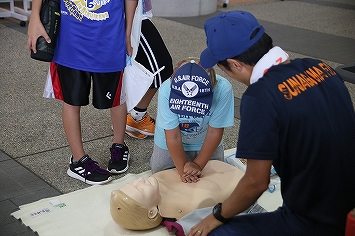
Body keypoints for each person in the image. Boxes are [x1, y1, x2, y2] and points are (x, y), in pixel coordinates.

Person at [186, 11, 355, 236]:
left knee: (209, 231)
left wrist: (216, 216)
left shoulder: (259, 97)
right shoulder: (319, 67)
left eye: (222, 68)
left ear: (235, 65)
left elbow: (256, 182)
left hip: (313, 221)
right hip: (348, 202)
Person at [27, 0, 137, 184]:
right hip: (70, 42)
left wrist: (128, 34)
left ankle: (119, 145)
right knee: (72, 101)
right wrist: (34, 17)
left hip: (110, 39)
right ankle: (78, 161)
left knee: (117, 96)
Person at [150, 58, 235, 183]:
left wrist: (198, 164)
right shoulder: (166, 90)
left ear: (213, 87)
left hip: (206, 141)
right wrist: (184, 171)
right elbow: (173, 136)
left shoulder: (223, 89)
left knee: (216, 182)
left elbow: (214, 132)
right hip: (168, 142)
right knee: (162, 180)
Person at [110, 160, 245, 231]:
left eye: (133, 182)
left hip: (215, 168)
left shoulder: (156, 181)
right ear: (151, 212)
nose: (139, 180)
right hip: (238, 181)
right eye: (140, 189)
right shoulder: (183, 206)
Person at [125, 0, 173, 139]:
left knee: (152, 67)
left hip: (136, 14)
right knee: (161, 68)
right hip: (131, 16)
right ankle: (136, 117)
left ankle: (134, 115)